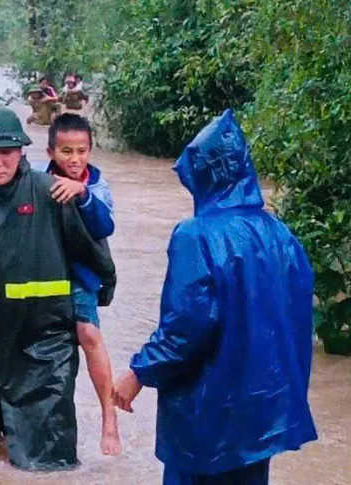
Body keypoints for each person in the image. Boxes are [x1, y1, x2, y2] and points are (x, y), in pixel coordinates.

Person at [112, 110, 318, 484]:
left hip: (207, 418)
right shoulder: (280, 234)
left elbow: (186, 328)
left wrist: (138, 372)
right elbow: (299, 319)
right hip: (261, 415)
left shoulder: (196, 235)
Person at [0, 107, 117, 471]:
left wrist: (102, 289)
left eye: (6, 153)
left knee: (49, 455)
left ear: (22, 153)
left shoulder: (50, 193)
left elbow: (90, 246)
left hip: (46, 335)